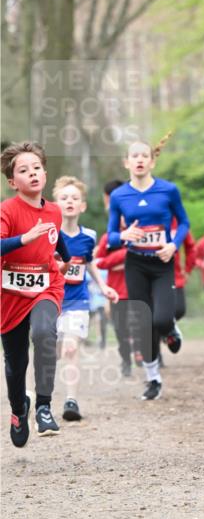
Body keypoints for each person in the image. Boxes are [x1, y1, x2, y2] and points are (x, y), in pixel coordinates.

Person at [107, 136, 190, 401]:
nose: (140, 160)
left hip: (162, 262)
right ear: (127, 163)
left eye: (145, 156)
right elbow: (109, 235)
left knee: (161, 319)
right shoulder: (119, 196)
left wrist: (173, 245)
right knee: (144, 324)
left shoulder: (168, 190)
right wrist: (123, 236)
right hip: (136, 263)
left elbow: (184, 223)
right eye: (135, 156)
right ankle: (153, 378)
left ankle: (170, 329)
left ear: (152, 161)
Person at [1, 142, 70, 444]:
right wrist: (22, 239)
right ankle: (19, 409)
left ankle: (43, 405)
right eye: (23, 170)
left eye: (37, 168)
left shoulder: (53, 210)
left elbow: (56, 235)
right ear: (12, 181)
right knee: (16, 363)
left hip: (46, 286)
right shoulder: (6, 210)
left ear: (44, 172)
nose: (32, 173)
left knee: (44, 333)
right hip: (10, 295)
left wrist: (67, 258)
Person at [52, 176, 118, 422]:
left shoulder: (88, 236)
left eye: (74, 198)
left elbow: (89, 264)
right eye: (64, 198)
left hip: (78, 301)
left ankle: (71, 400)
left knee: (71, 347)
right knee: (55, 352)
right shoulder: (48, 236)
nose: (69, 201)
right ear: (55, 204)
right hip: (51, 300)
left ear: (83, 206)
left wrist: (103, 287)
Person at [95, 180, 133, 377]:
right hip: (118, 292)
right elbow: (98, 261)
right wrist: (123, 257)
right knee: (121, 331)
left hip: (140, 289)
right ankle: (126, 361)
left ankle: (152, 357)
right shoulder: (109, 238)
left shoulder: (142, 234)